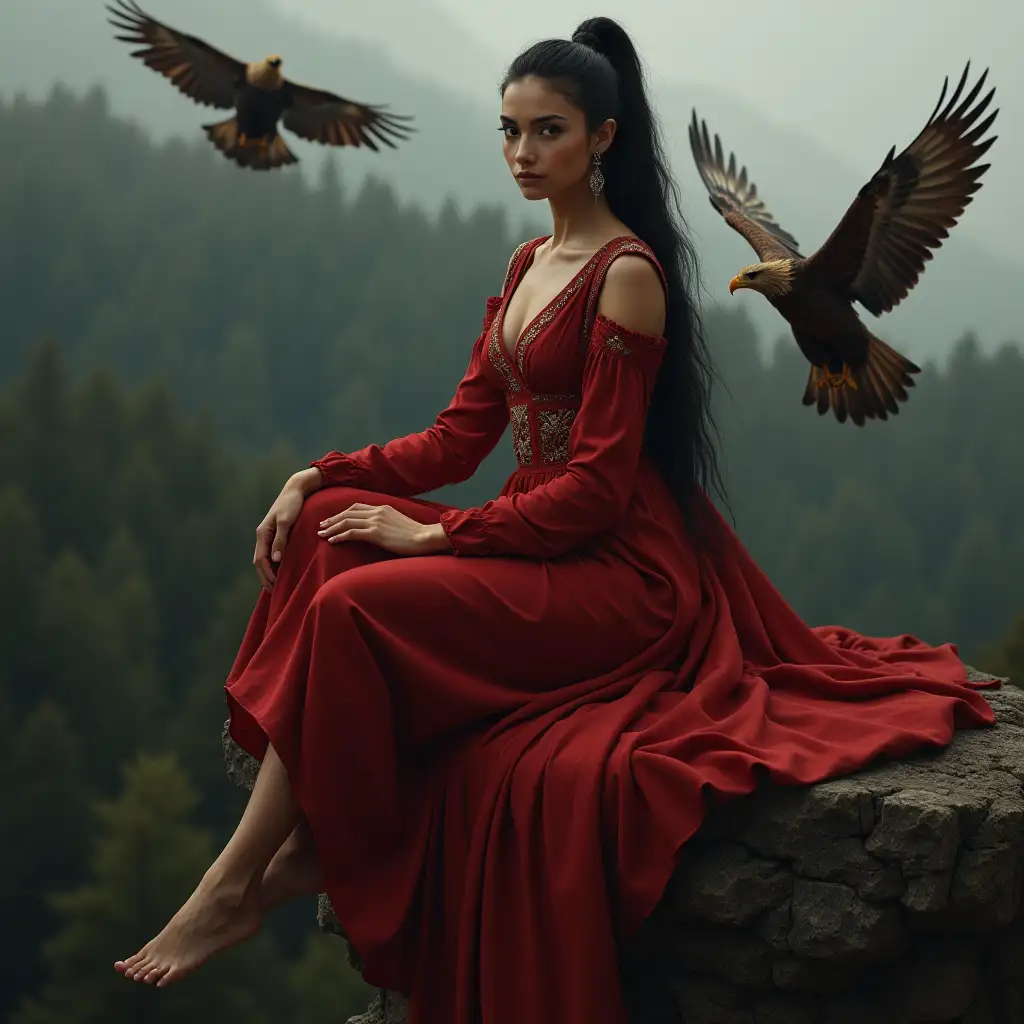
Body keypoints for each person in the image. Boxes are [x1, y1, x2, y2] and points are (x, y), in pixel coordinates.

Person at [113, 16, 998, 1024]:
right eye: (509, 131)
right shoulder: (528, 261)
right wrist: (313, 475)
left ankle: (239, 881)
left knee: (354, 611)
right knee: (329, 538)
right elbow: (455, 440)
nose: (523, 154)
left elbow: (596, 492)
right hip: (535, 534)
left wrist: (439, 537)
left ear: (603, 139)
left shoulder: (626, 277)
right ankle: (308, 843)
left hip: (619, 573)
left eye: (549, 132)